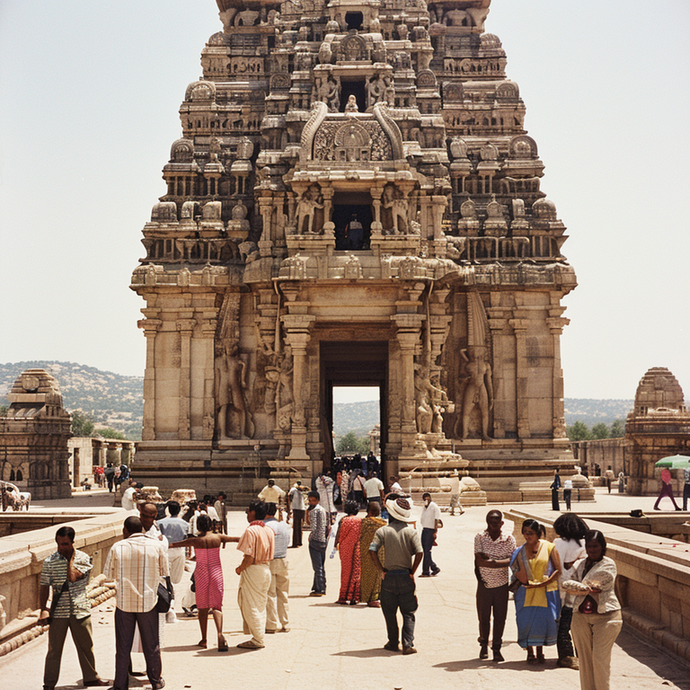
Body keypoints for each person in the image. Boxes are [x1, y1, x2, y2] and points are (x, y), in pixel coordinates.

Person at [103, 516, 168, 690]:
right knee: (151, 644)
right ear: (142, 530)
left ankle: (120, 684)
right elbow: (164, 572)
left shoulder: (117, 547)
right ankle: (155, 680)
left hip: (124, 603)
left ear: (125, 530)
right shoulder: (156, 546)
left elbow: (108, 575)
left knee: (123, 646)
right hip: (149, 602)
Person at [38, 526, 107, 690]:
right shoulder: (49, 561)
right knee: (54, 650)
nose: (62, 548)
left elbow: (73, 576)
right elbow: (44, 586)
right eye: (59, 544)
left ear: (72, 542)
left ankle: (90, 677)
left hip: (80, 609)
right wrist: (43, 609)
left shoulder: (83, 559)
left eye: (66, 544)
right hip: (59, 611)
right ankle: (49, 683)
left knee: (86, 647)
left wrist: (69, 558)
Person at [563, 530, 623, 690]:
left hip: (606, 617)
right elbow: (571, 583)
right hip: (581, 616)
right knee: (585, 660)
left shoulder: (608, 564)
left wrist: (579, 586)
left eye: (595, 546)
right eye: (589, 546)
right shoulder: (582, 564)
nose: (592, 550)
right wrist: (576, 586)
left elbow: (598, 584)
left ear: (602, 547)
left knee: (599, 659)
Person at [170, 514, 237, 650]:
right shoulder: (218, 538)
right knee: (217, 606)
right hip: (216, 572)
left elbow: (174, 544)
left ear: (198, 527)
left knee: (202, 607)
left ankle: (204, 639)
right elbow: (237, 539)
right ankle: (220, 633)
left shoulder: (195, 541)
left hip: (201, 574)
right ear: (211, 525)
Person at [369, 496, 423, 654]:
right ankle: (408, 643)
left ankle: (393, 642)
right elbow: (420, 553)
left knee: (389, 611)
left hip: (389, 576)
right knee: (408, 612)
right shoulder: (411, 532)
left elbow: (372, 551)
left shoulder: (382, 531)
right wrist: (412, 571)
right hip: (406, 575)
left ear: (391, 514)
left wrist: (381, 570)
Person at [509, 518, 561, 664]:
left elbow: (558, 569)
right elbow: (516, 571)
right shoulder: (519, 551)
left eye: (530, 533)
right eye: (525, 533)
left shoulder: (550, 547)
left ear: (538, 533)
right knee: (526, 621)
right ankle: (530, 652)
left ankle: (540, 651)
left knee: (542, 621)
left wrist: (545, 582)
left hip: (546, 591)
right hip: (525, 592)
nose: (527, 536)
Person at [474, 510, 517, 663]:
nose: (493, 523)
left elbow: (512, 560)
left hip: (501, 585)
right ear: (487, 522)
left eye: (496, 521)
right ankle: (484, 644)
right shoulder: (480, 537)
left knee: (500, 618)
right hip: (484, 584)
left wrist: (491, 562)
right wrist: (499, 562)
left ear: (501, 523)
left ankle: (497, 648)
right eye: (490, 520)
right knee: (483, 618)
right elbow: (479, 560)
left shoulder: (509, 539)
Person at [235, 499, 275, 649]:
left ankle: (258, 639)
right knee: (259, 604)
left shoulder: (251, 531)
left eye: (248, 511)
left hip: (254, 570)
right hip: (265, 569)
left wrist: (240, 568)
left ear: (253, 512)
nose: (247, 514)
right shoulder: (268, 530)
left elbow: (249, 557)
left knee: (250, 604)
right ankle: (258, 635)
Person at [553, 513, 588, 670]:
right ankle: (583, 655)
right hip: (582, 590)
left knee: (563, 625)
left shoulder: (559, 543)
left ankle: (566, 656)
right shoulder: (586, 543)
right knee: (582, 626)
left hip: (565, 590)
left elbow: (557, 566)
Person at [265, 502, 290, 633]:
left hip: (270, 561)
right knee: (283, 593)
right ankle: (285, 622)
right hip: (283, 559)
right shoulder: (284, 526)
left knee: (270, 594)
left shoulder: (265, 526)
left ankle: (271, 624)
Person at [359, 501, 387, 608]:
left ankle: (365, 597)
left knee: (366, 575)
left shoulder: (364, 523)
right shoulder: (383, 524)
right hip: (380, 554)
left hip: (365, 553)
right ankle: (374, 598)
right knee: (377, 576)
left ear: (368, 511)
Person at [335, 500, 362, 605]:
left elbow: (338, 534)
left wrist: (336, 544)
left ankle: (343, 597)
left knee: (345, 572)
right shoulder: (360, 520)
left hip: (345, 548)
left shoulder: (343, 520)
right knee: (356, 571)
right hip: (357, 547)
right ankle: (354, 597)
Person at [157, 501, 189, 589]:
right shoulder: (185, 524)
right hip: (179, 551)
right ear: (179, 511)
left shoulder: (160, 523)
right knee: (175, 578)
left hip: (165, 550)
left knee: (163, 576)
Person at [306, 491, 329, 596]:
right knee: (321, 565)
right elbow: (327, 525)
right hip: (323, 540)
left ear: (317, 500)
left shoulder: (314, 511)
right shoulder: (323, 510)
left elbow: (313, 527)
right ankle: (318, 586)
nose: (311, 502)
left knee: (317, 566)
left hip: (315, 540)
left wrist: (308, 518)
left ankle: (320, 588)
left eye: (313, 500)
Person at [419, 492, 442, 577]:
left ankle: (429, 569)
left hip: (431, 530)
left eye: (427, 499)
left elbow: (437, 519)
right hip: (424, 529)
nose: (426, 500)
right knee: (425, 551)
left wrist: (435, 532)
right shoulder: (424, 508)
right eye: (425, 499)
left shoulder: (434, 507)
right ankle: (430, 569)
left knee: (427, 551)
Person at [287, 480, 306, 547]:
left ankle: (296, 543)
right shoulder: (297, 490)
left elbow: (289, 496)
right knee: (298, 526)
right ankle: (298, 542)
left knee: (297, 526)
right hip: (299, 508)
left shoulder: (297, 489)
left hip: (298, 509)